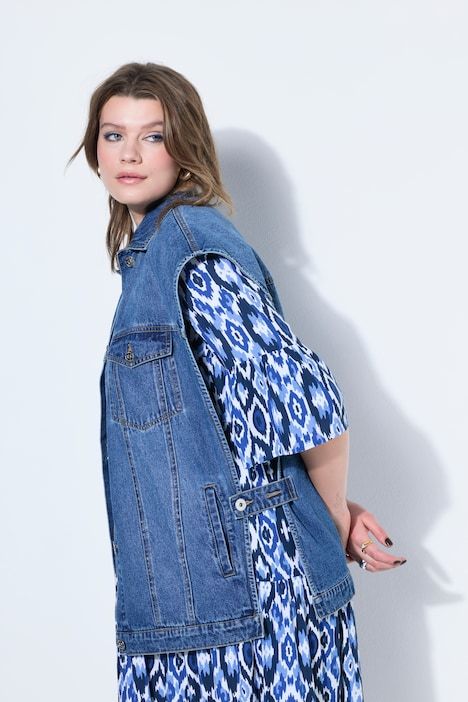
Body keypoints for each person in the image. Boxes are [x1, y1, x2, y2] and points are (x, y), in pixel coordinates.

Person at [68, 62, 407, 702]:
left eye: (153, 136)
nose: (130, 155)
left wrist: (333, 517)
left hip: (246, 607)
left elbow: (309, 402)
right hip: (203, 596)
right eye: (114, 136)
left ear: (185, 145)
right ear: (95, 148)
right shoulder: (155, 257)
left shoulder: (192, 256)